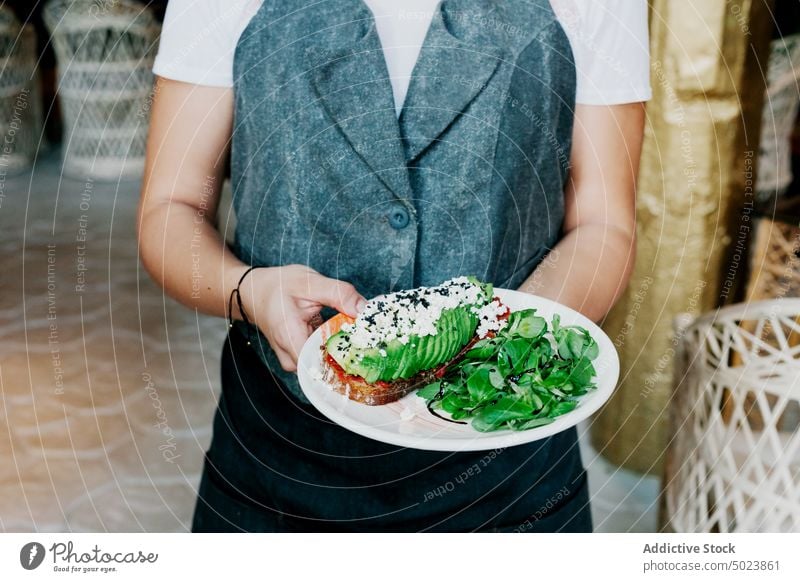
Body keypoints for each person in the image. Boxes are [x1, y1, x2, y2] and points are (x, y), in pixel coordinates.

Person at [137, 0, 651, 532]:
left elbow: (605, 224)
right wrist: (246, 289)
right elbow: (169, 209)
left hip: (511, 479)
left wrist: (505, 333)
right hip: (278, 463)